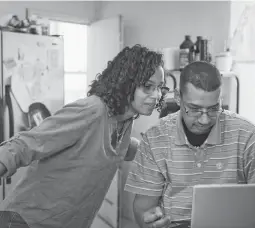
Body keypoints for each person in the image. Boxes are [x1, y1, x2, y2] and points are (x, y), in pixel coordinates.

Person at [0, 44, 166, 228]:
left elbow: (118, 148)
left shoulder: (125, 121)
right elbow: (23, 145)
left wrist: (155, 151)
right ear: (127, 83)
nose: (156, 95)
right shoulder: (92, 110)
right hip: (25, 221)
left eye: (159, 87)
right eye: (148, 87)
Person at [124, 61, 255, 228]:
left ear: (220, 98)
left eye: (213, 108)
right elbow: (143, 210)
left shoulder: (247, 135)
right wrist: (151, 222)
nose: (204, 120)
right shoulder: (155, 138)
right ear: (178, 98)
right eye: (194, 109)